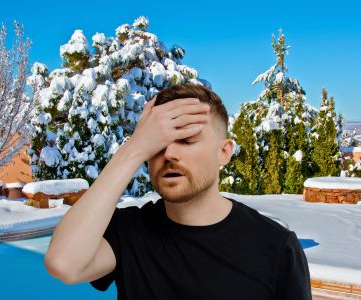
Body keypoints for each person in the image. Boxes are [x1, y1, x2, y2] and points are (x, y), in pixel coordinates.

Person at [44, 83, 312, 299]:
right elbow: (63, 264)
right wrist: (134, 149)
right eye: (157, 143)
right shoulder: (129, 232)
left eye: (186, 140)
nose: (169, 153)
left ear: (223, 152)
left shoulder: (276, 247)